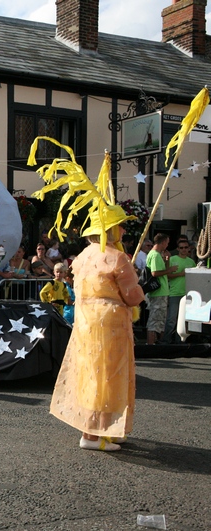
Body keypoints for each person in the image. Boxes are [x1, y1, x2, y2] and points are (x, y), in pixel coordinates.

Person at [32, 142, 144, 452]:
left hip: (85, 321)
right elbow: (132, 297)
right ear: (112, 229)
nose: (123, 230)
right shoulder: (118, 259)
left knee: (90, 372)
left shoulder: (80, 257)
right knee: (110, 374)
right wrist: (137, 287)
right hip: (111, 323)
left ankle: (104, 429)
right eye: (120, 226)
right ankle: (95, 433)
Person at [163, 238, 195, 343]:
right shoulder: (172, 259)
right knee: (172, 319)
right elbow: (167, 275)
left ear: (189, 248)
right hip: (174, 293)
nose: (184, 250)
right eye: (181, 248)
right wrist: (180, 274)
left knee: (183, 320)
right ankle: (167, 340)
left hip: (187, 294)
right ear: (178, 249)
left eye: (186, 247)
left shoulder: (191, 262)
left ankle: (180, 341)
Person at [146, 233, 176, 345]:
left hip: (161, 291)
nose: (167, 245)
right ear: (163, 242)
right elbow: (155, 273)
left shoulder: (157, 255)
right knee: (155, 319)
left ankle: (156, 342)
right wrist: (170, 269)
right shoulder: (155, 255)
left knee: (159, 319)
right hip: (158, 292)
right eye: (167, 243)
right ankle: (151, 344)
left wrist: (167, 261)